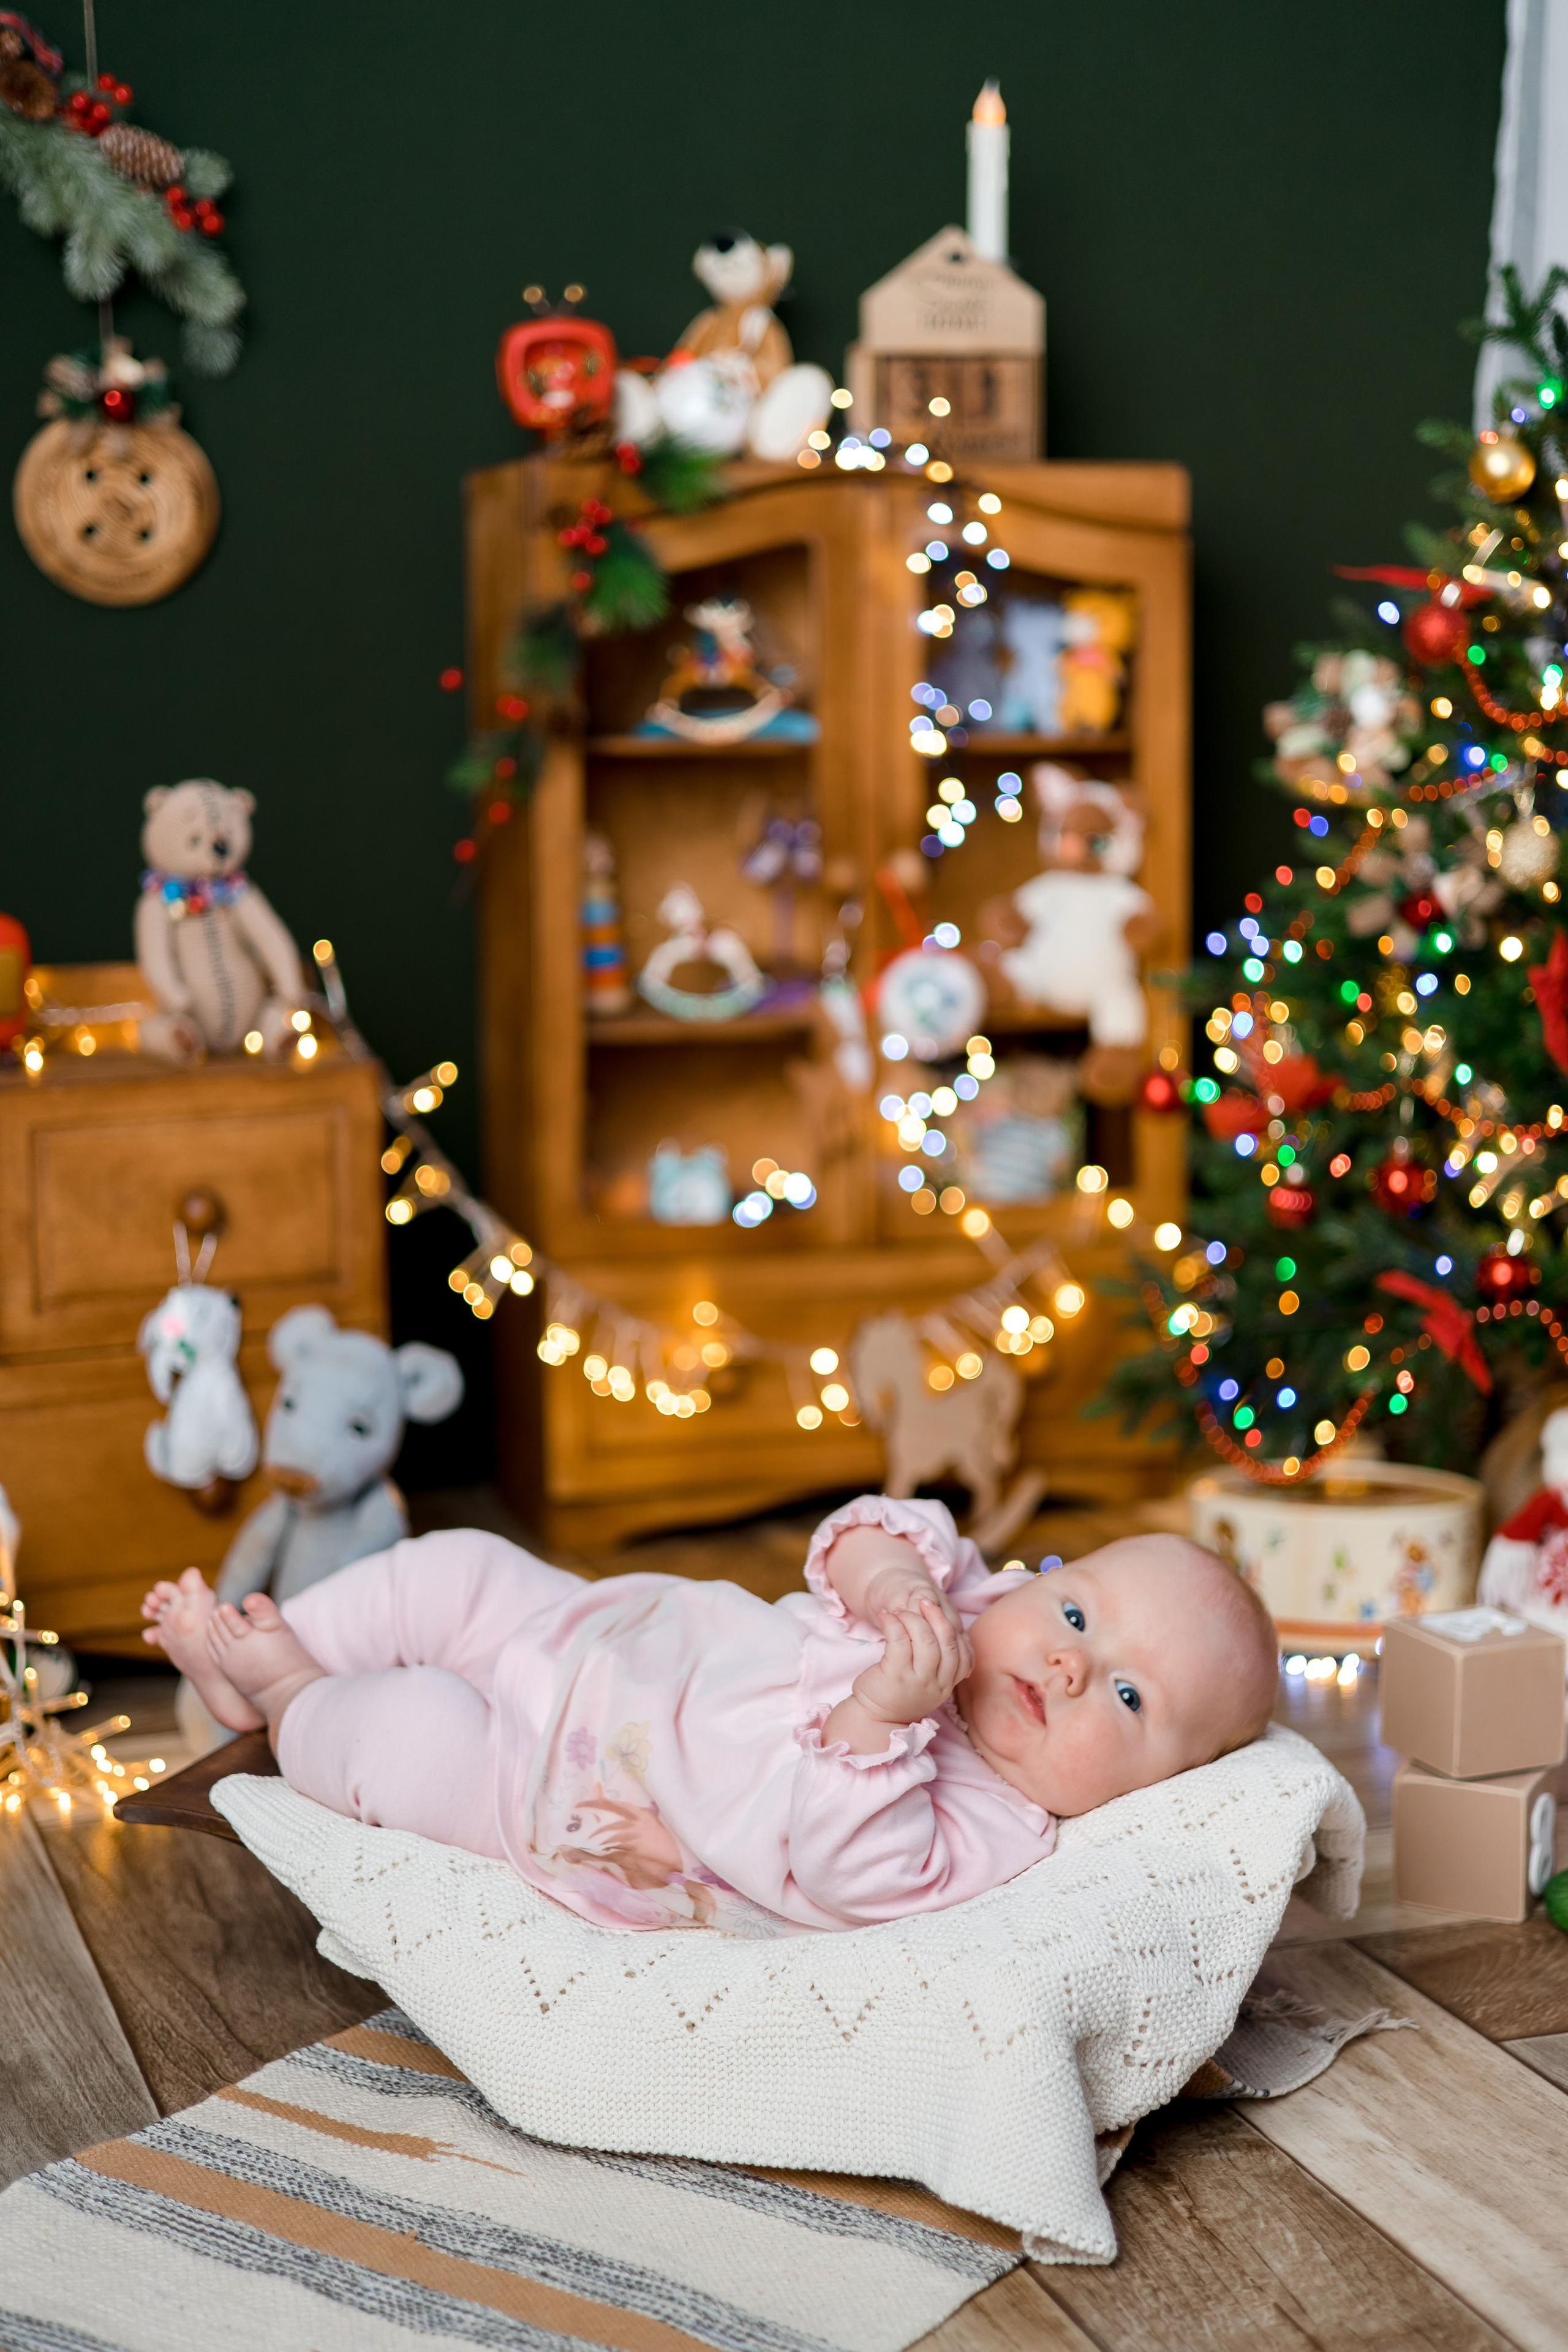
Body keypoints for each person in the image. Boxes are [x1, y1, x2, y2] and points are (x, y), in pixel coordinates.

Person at [143, 1497, 1278, 1936]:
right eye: (1078, 1611)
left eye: (1130, 1697)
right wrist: (895, 1590)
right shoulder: (965, 1599)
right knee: (462, 1567)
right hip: (601, 1631)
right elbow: (867, 1530)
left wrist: (886, 1712)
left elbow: (854, 1870)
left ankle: (291, 1694)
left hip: (551, 1790)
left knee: (412, 1736)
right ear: (1044, 1575)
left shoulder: (996, 1827)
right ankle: (274, 1652)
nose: (1075, 1664)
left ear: (1154, 1791)